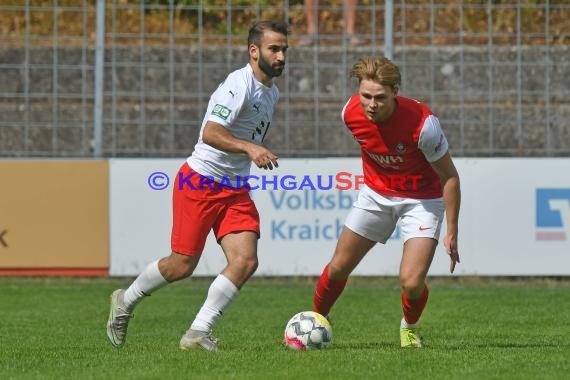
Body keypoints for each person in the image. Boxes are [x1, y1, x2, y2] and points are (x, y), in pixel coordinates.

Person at [106, 20, 289, 352]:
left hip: (234, 187)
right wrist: (250, 148)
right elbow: (211, 133)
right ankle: (125, 300)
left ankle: (197, 332)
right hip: (200, 181)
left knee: (245, 261)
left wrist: (248, 152)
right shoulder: (238, 85)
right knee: (182, 265)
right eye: (274, 49)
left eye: (284, 50)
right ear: (254, 51)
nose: (280, 57)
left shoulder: (271, 91)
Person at [312, 56, 461, 348]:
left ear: (396, 91)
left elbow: (450, 177)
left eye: (380, 97)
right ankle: (315, 321)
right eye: (365, 95)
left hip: (422, 200)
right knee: (339, 266)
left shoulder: (423, 125)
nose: (371, 104)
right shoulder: (349, 113)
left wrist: (452, 231)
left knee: (411, 281)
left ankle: (410, 327)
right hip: (375, 194)